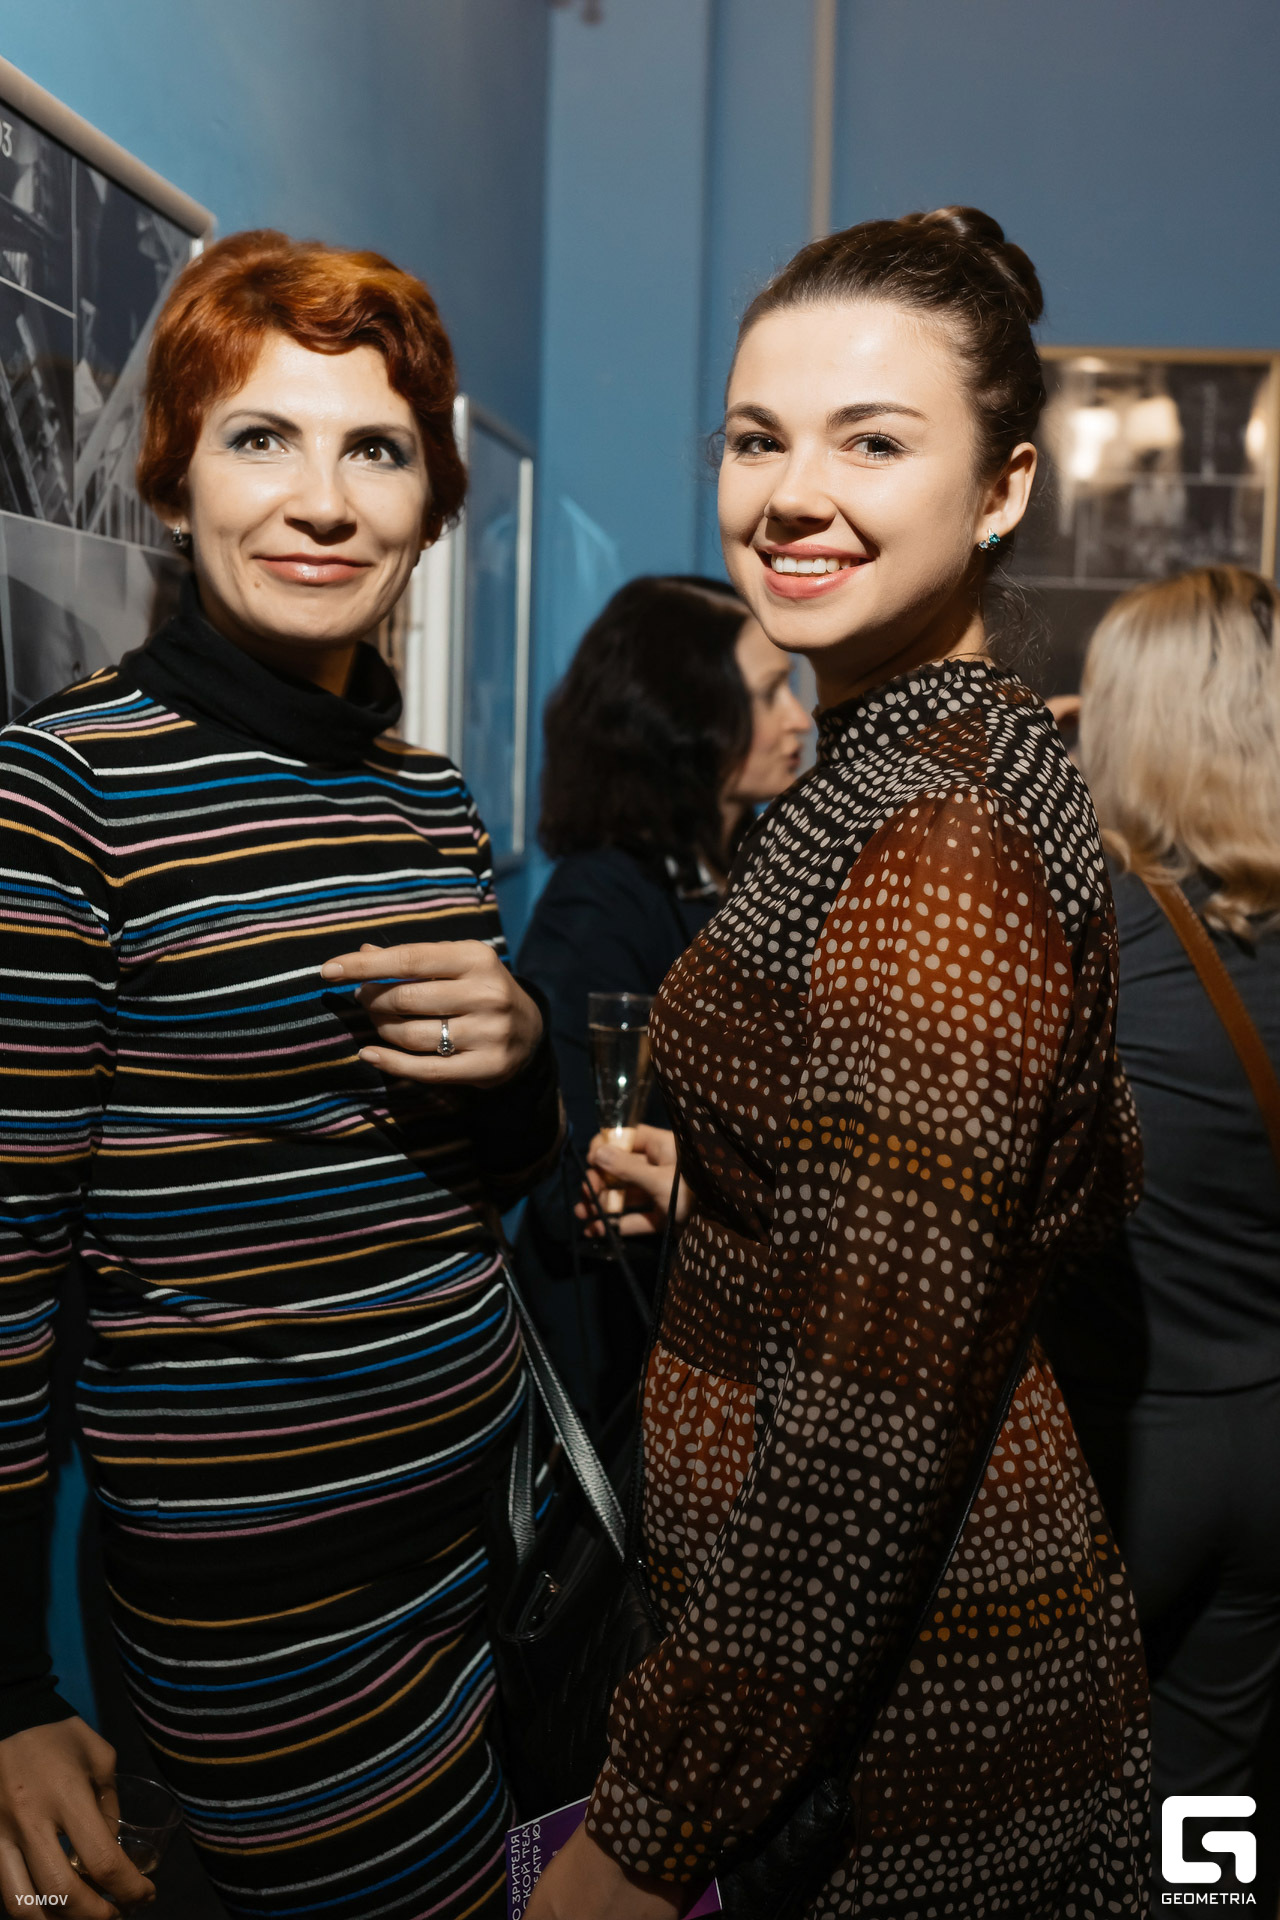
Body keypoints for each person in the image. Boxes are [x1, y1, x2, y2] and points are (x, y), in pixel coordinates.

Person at [528, 207, 1149, 1920]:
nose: (793, 495)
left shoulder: (937, 838)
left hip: (906, 1752)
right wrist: (730, 1186)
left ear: (1003, 488)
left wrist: (643, 1838)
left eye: (873, 442)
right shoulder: (894, 761)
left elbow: (863, 1438)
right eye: (758, 438)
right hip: (842, 1706)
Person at [0, 231, 562, 1920]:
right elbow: (7, 1259)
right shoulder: (62, 791)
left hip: (485, 1527)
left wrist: (522, 1064)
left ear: (430, 503)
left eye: (375, 450)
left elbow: (474, 1173)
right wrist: (7, 1685)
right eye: (262, 439)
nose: (322, 502)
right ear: (173, 477)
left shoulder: (423, 797)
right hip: (266, 1602)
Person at [1040, 567, 1280, 1907]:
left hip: (1121, 1452)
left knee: (1041, 1814)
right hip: (1267, 1446)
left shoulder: (1095, 938)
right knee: (1211, 1795)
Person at [515, 574, 810, 1428]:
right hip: (620, 1365)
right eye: (769, 694)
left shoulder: (744, 871)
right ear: (684, 722)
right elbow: (576, 1189)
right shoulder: (600, 902)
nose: (799, 719)